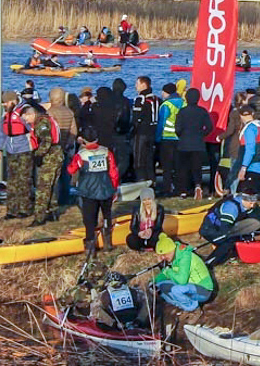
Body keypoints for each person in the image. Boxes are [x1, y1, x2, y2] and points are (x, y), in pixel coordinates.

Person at [65, 125, 120, 257]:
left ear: (83, 140)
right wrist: (114, 189)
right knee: (107, 216)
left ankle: (90, 249)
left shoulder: (81, 155)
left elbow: (71, 170)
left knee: (89, 220)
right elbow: (113, 172)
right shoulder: (107, 152)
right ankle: (108, 244)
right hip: (106, 189)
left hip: (88, 192)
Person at [199, 190, 260, 266]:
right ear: (243, 200)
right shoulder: (231, 207)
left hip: (229, 226)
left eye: (253, 203)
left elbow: (256, 213)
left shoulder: (246, 204)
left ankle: (241, 242)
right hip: (212, 229)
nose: (252, 206)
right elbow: (224, 228)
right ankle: (209, 262)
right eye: (251, 203)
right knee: (229, 242)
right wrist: (235, 238)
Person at [153, 232, 215, 311]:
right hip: (189, 286)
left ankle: (194, 308)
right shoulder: (173, 258)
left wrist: (168, 270)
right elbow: (165, 274)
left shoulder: (184, 257)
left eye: (165, 255)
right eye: (161, 256)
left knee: (176, 290)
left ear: (172, 250)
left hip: (203, 290)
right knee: (160, 286)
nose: (163, 258)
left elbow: (182, 281)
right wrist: (154, 282)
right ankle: (184, 307)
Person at [26, 101, 64, 226]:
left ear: (32, 114)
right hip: (56, 154)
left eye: (26, 117)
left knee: (43, 187)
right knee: (52, 186)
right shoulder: (46, 119)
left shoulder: (42, 122)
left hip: (50, 156)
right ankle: (52, 212)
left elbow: (46, 141)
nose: (26, 121)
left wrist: (38, 154)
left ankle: (39, 217)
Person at [174, 88, 213, 198]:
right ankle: (198, 186)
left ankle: (184, 190)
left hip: (184, 144)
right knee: (197, 167)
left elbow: (177, 128)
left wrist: (181, 136)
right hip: (198, 143)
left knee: (183, 168)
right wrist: (202, 134)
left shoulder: (182, 111)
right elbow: (210, 127)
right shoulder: (203, 111)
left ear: (186, 98)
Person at [235, 103, 260, 195]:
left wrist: (243, 168)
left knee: (242, 193)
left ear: (240, 116)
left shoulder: (250, 129)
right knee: (255, 191)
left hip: (253, 166)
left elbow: (250, 150)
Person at [156, 82, 184, 196]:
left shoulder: (166, 105)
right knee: (179, 165)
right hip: (180, 138)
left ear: (166, 92)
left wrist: (157, 138)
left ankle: (167, 188)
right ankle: (180, 188)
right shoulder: (183, 103)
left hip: (167, 138)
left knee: (167, 166)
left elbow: (161, 123)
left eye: (163, 91)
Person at [130, 76, 160, 184]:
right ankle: (152, 181)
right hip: (152, 132)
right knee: (149, 159)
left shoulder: (140, 99)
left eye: (137, 84)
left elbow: (135, 118)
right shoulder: (156, 99)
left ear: (143, 85)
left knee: (138, 161)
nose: (135, 86)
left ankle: (141, 183)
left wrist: (132, 131)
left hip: (141, 133)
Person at [125, 187, 165, 252]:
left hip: (153, 234)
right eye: (144, 200)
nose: (147, 202)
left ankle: (153, 247)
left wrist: (151, 230)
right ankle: (141, 248)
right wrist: (139, 233)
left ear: (153, 199)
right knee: (130, 238)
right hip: (141, 235)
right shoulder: (137, 210)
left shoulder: (159, 209)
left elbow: (158, 225)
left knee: (159, 237)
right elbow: (133, 226)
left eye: (149, 199)